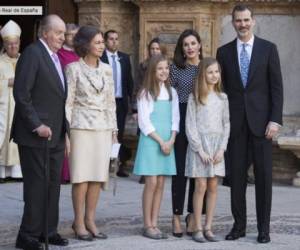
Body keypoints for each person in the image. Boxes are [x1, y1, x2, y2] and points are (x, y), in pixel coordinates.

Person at [216, 4, 283, 244]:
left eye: (246, 20)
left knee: (264, 178)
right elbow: (220, 90)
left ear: (252, 21)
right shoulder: (223, 52)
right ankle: (239, 226)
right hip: (235, 126)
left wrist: (275, 120)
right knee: (236, 179)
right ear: (232, 23)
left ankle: (264, 229)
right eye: (238, 21)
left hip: (263, 125)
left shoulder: (268, 49)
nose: (242, 24)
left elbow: (276, 88)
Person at [11, 15, 69, 250]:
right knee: (37, 186)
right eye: (59, 33)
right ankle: (27, 235)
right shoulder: (33, 54)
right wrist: (37, 124)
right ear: (45, 32)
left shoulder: (55, 57)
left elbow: (58, 98)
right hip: (36, 135)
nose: (63, 38)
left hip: (55, 134)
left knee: (53, 184)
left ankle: (48, 230)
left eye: (64, 34)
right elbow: (21, 94)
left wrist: (64, 132)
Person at [65, 25, 118, 241]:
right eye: (97, 42)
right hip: (80, 128)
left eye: (102, 42)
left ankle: (90, 220)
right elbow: (67, 103)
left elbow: (110, 102)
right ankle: (78, 222)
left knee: (97, 177)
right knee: (81, 178)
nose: (101, 46)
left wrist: (114, 131)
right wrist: (67, 133)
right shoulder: (72, 69)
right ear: (85, 45)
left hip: (103, 128)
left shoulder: (106, 69)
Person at [133, 55, 179, 239]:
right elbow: (144, 122)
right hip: (152, 140)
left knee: (161, 182)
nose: (164, 71)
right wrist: (161, 141)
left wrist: (171, 140)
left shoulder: (172, 92)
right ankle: (147, 224)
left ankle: (155, 221)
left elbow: (175, 119)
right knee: (151, 182)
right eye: (160, 68)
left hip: (168, 140)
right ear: (153, 70)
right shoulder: (145, 93)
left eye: (166, 68)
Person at [185, 57, 230, 242]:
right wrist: (199, 149)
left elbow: (226, 124)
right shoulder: (194, 97)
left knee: (213, 186)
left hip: (217, 147)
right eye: (210, 72)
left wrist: (222, 149)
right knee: (200, 186)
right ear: (203, 74)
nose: (214, 75)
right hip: (200, 148)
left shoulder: (222, 97)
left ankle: (209, 226)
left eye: (216, 72)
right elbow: (190, 124)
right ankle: (196, 225)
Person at [170, 29, 203, 237]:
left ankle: (193, 215)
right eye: (185, 44)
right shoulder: (176, 69)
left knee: (197, 170)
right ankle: (176, 216)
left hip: (201, 118)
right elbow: (169, 98)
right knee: (180, 169)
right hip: (181, 116)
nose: (189, 48)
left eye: (193, 43)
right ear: (182, 48)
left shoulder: (207, 67)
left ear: (199, 45)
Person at [133, 37, 167, 184]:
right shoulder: (143, 66)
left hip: (160, 107)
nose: (154, 51)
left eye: (157, 48)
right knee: (146, 137)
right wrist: (135, 110)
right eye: (152, 48)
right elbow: (137, 86)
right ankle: (145, 171)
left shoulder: (166, 66)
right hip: (146, 102)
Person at [101, 30, 134, 177]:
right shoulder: (100, 57)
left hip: (120, 102)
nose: (114, 41)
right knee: (104, 133)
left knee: (118, 134)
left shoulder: (124, 58)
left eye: (116, 39)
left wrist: (131, 103)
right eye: (111, 39)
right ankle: (102, 165)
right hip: (104, 103)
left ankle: (117, 165)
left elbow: (129, 81)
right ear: (105, 41)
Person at [57, 23, 80, 184]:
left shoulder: (82, 53)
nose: (72, 38)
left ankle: (77, 172)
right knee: (65, 137)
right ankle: (64, 173)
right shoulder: (58, 54)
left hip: (80, 102)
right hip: (63, 100)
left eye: (75, 35)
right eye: (69, 34)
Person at [0, 20, 22, 183]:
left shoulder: (26, 60)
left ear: (19, 43)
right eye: (9, 44)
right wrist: (8, 82)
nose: (13, 47)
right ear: (4, 45)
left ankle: (17, 172)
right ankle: (2, 172)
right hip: (4, 109)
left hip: (21, 107)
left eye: (15, 43)